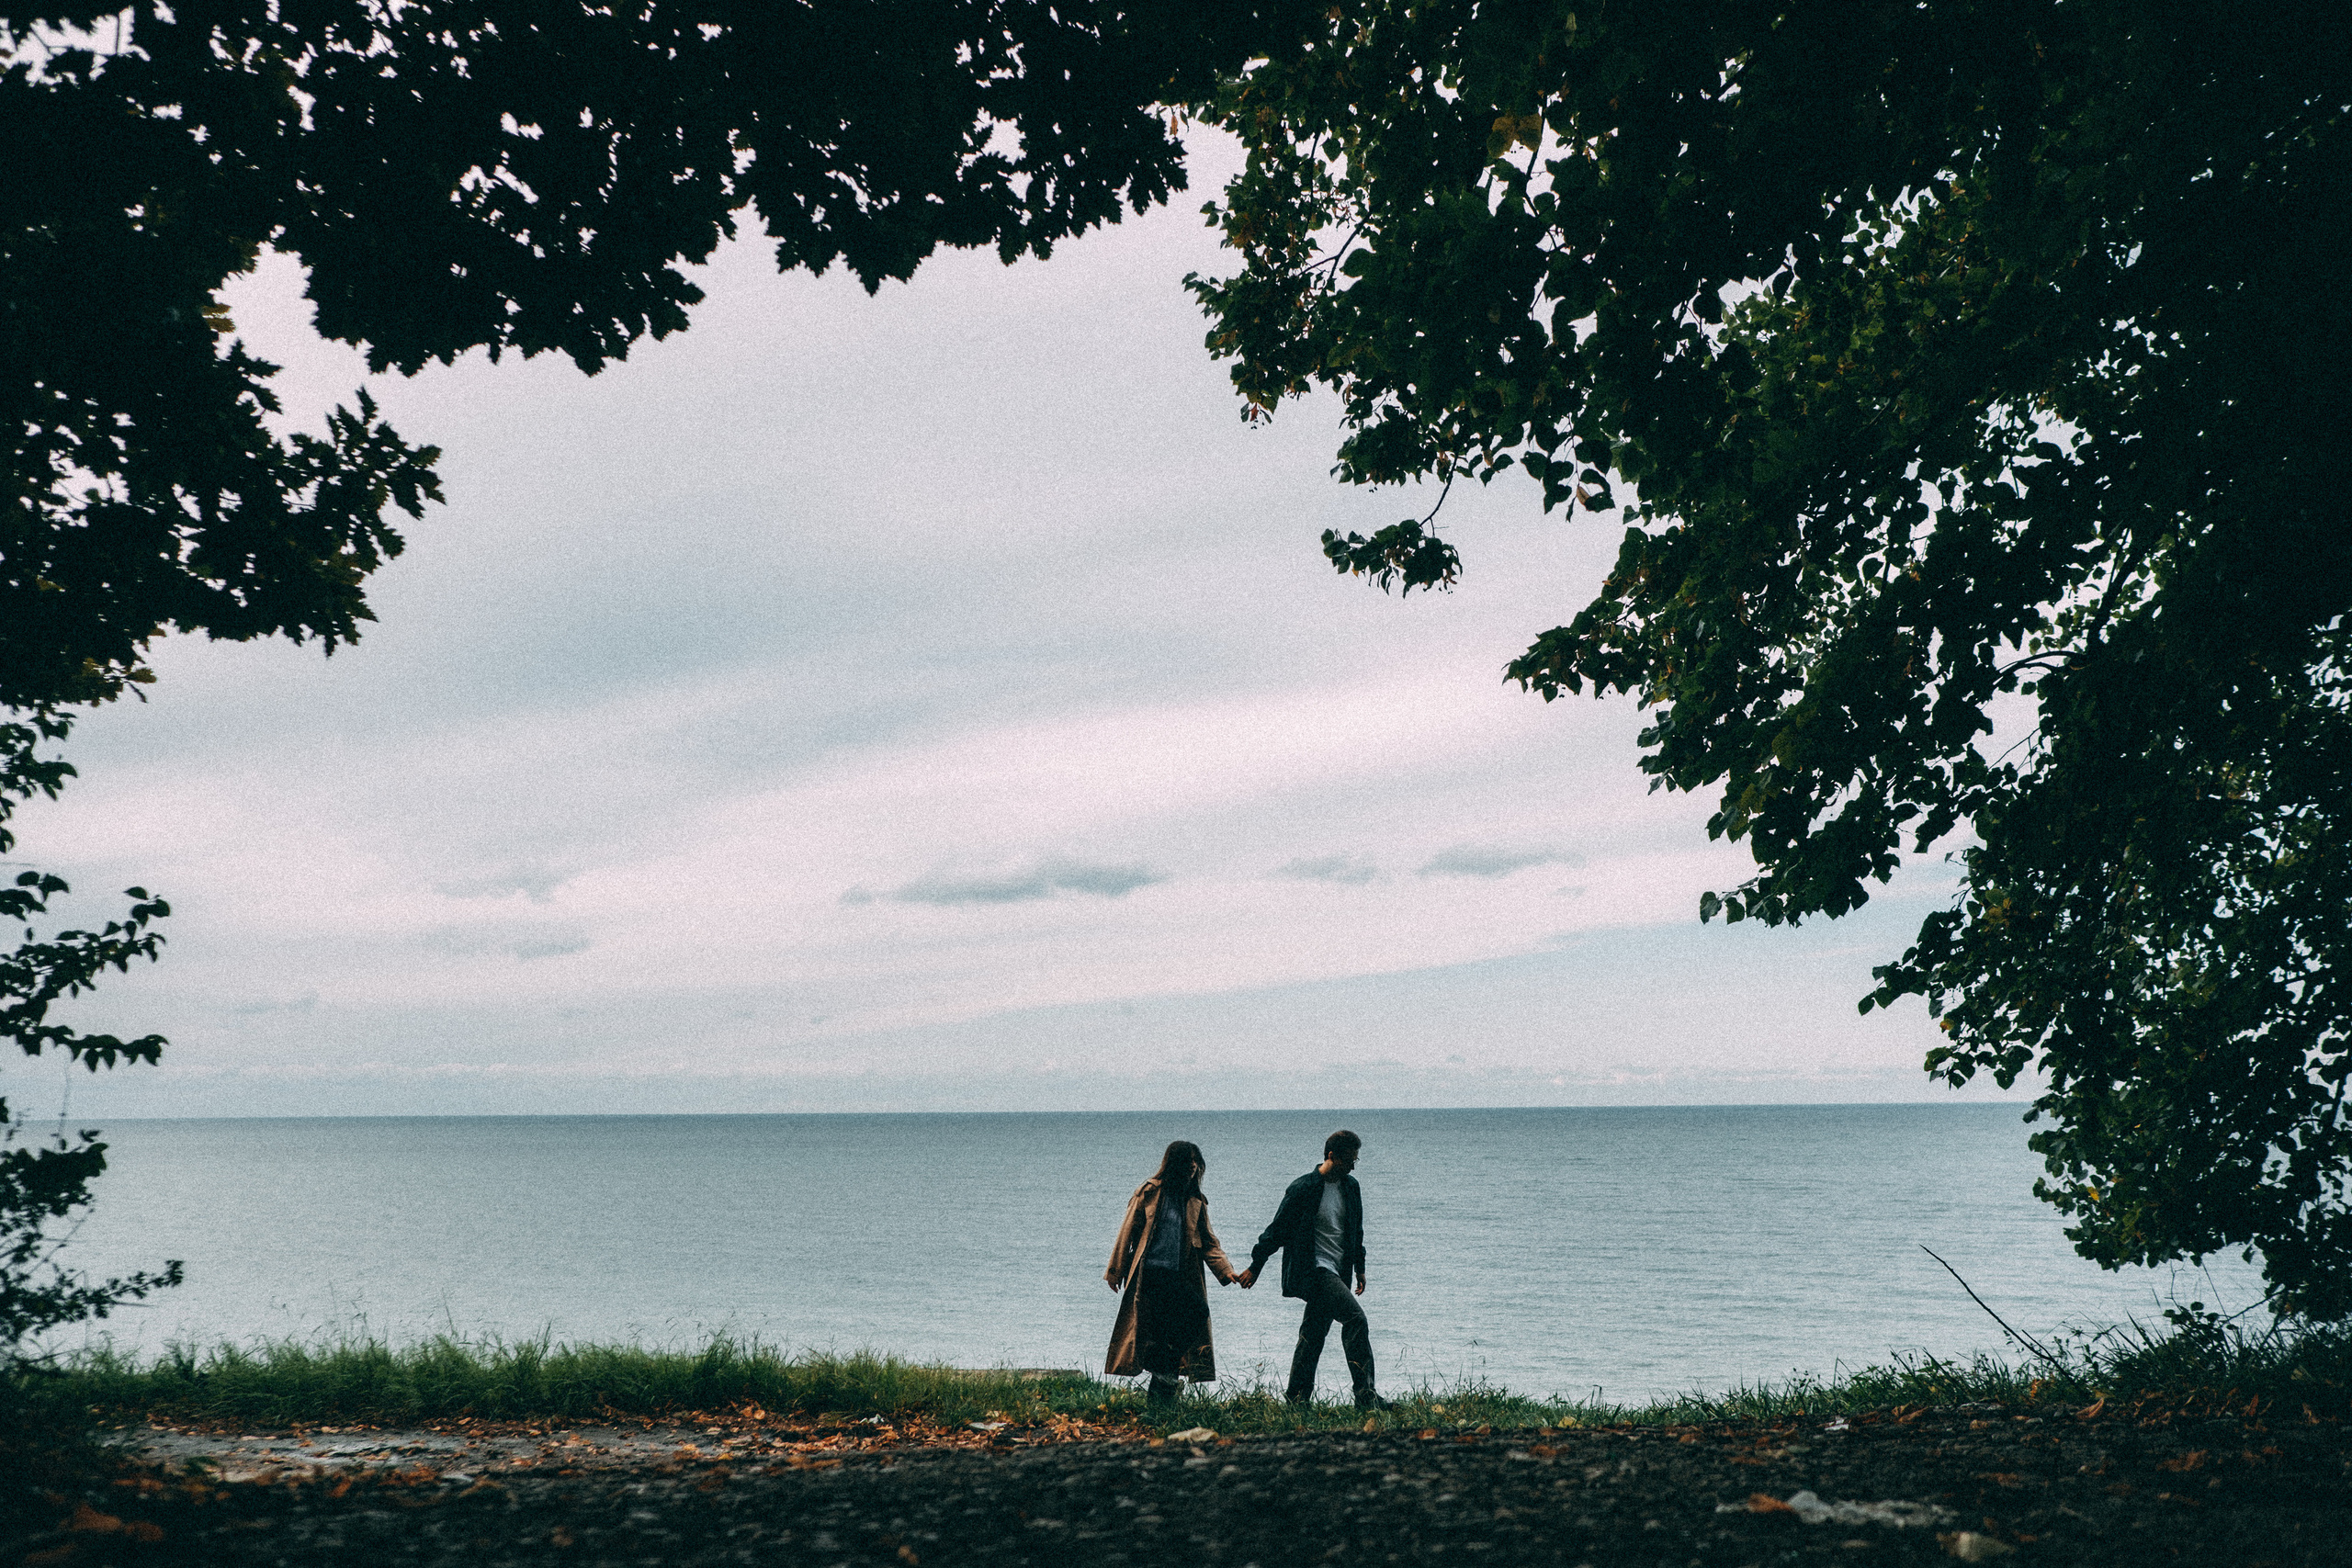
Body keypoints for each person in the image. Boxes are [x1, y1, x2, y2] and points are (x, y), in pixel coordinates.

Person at [1237, 1128, 1391, 1409]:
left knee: (1312, 1336)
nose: (1354, 1166)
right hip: (1315, 1270)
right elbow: (1278, 1230)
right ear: (1331, 1156)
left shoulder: (1351, 1187)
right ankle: (1366, 1397)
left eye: (1356, 1160)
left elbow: (1356, 1230)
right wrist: (1256, 1265)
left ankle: (1297, 1401)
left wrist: (1360, 1267)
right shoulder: (1303, 1189)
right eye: (1349, 1160)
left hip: (1339, 1270)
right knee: (1356, 1319)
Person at [1103, 1139, 1239, 1404]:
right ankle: (1164, 1387)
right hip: (1150, 1275)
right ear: (1173, 1163)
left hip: (1179, 1275)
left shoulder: (1195, 1200)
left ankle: (1162, 1376)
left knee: (1195, 1314)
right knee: (1167, 1328)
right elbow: (1127, 1231)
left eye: (1195, 1161)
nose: (1192, 1166)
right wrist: (1115, 1271)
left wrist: (1227, 1271)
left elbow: (1209, 1241)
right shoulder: (1150, 1192)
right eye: (1187, 1160)